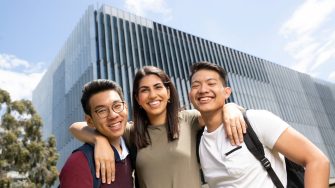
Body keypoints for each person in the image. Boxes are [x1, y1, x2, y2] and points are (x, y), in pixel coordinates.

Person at [69, 66, 246, 187]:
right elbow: (75, 127)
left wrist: (229, 107)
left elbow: (215, 111)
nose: (152, 95)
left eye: (158, 87)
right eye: (144, 90)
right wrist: (98, 139)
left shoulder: (188, 120)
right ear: (137, 99)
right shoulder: (131, 132)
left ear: (168, 92)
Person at [188, 61, 330, 188]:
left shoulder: (255, 120)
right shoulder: (199, 142)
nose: (203, 90)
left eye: (211, 83)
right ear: (190, 95)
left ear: (226, 92)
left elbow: (317, 160)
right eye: (196, 85)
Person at [59, 79, 133, 188]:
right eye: (102, 111)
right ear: (90, 121)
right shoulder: (79, 162)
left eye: (117, 106)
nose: (113, 115)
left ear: (125, 107)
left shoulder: (133, 149)